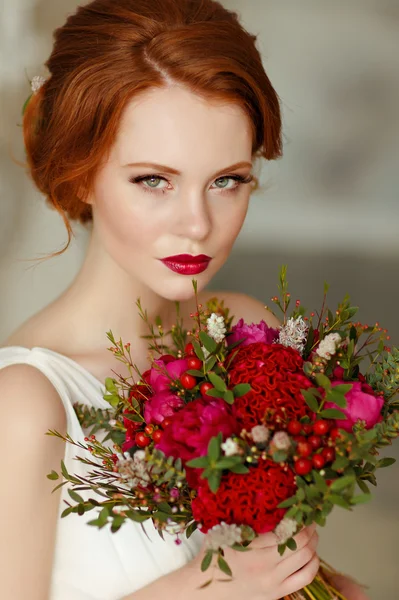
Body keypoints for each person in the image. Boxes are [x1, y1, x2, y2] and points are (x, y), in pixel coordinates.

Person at [0, 1, 369, 599]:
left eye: (227, 180)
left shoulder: (246, 332)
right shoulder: (26, 404)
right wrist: (205, 589)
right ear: (82, 172)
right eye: (154, 180)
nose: (197, 224)